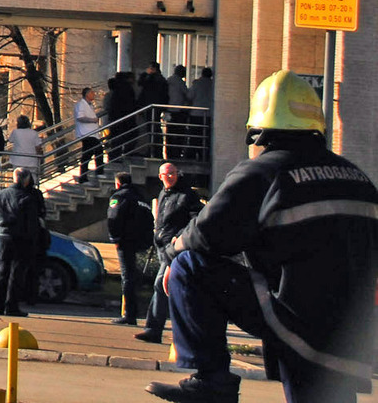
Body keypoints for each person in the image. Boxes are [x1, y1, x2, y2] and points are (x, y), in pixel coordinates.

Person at [147, 71, 378, 403]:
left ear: (259, 130)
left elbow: (207, 234)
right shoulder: (358, 179)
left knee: (189, 265)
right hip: (352, 334)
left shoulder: (263, 172)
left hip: (294, 320)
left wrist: (171, 254)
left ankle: (213, 382)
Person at [136, 162, 203, 345]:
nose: (171, 177)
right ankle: (186, 331)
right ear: (161, 177)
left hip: (174, 248)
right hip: (161, 247)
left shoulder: (187, 194)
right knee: (172, 288)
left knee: (160, 284)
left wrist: (179, 236)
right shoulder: (163, 193)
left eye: (173, 173)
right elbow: (163, 219)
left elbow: (196, 219)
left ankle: (153, 330)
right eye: (167, 174)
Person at [0, 167, 45, 317]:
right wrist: (33, 238)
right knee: (17, 273)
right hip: (22, 238)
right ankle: (11, 305)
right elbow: (33, 222)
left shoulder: (1, 195)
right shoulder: (27, 197)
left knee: (3, 271)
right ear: (26, 180)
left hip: (5, 237)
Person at [107, 172, 154, 325]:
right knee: (133, 276)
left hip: (125, 242)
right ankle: (133, 311)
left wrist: (115, 239)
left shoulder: (119, 197)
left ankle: (129, 314)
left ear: (118, 183)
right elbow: (149, 219)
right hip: (139, 242)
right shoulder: (140, 197)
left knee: (127, 277)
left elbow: (113, 218)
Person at [136, 62, 170, 158]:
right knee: (154, 128)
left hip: (151, 106)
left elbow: (142, 83)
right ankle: (156, 150)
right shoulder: (161, 79)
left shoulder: (152, 79)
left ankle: (153, 150)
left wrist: (145, 74)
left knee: (152, 128)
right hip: (156, 106)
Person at [75, 86, 104, 180]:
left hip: (91, 133)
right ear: (87, 94)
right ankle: (98, 172)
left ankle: (83, 176)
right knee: (97, 150)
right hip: (86, 133)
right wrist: (92, 120)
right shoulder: (81, 104)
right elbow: (80, 117)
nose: (94, 94)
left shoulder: (90, 105)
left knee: (88, 154)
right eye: (92, 93)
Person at [107, 72, 138, 160]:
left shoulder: (116, 88)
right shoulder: (126, 88)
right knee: (130, 134)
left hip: (115, 117)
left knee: (116, 137)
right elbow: (130, 103)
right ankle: (126, 153)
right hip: (125, 116)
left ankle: (114, 155)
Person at [167, 65, 192, 159]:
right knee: (179, 133)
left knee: (170, 134)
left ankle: (169, 153)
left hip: (169, 110)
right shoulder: (180, 82)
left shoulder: (169, 80)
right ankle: (177, 153)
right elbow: (188, 95)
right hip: (179, 111)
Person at [189, 68, 215, 159]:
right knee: (206, 137)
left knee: (194, 137)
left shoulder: (197, 83)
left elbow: (190, 96)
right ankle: (204, 155)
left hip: (196, 113)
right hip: (209, 114)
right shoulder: (213, 84)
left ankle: (192, 155)